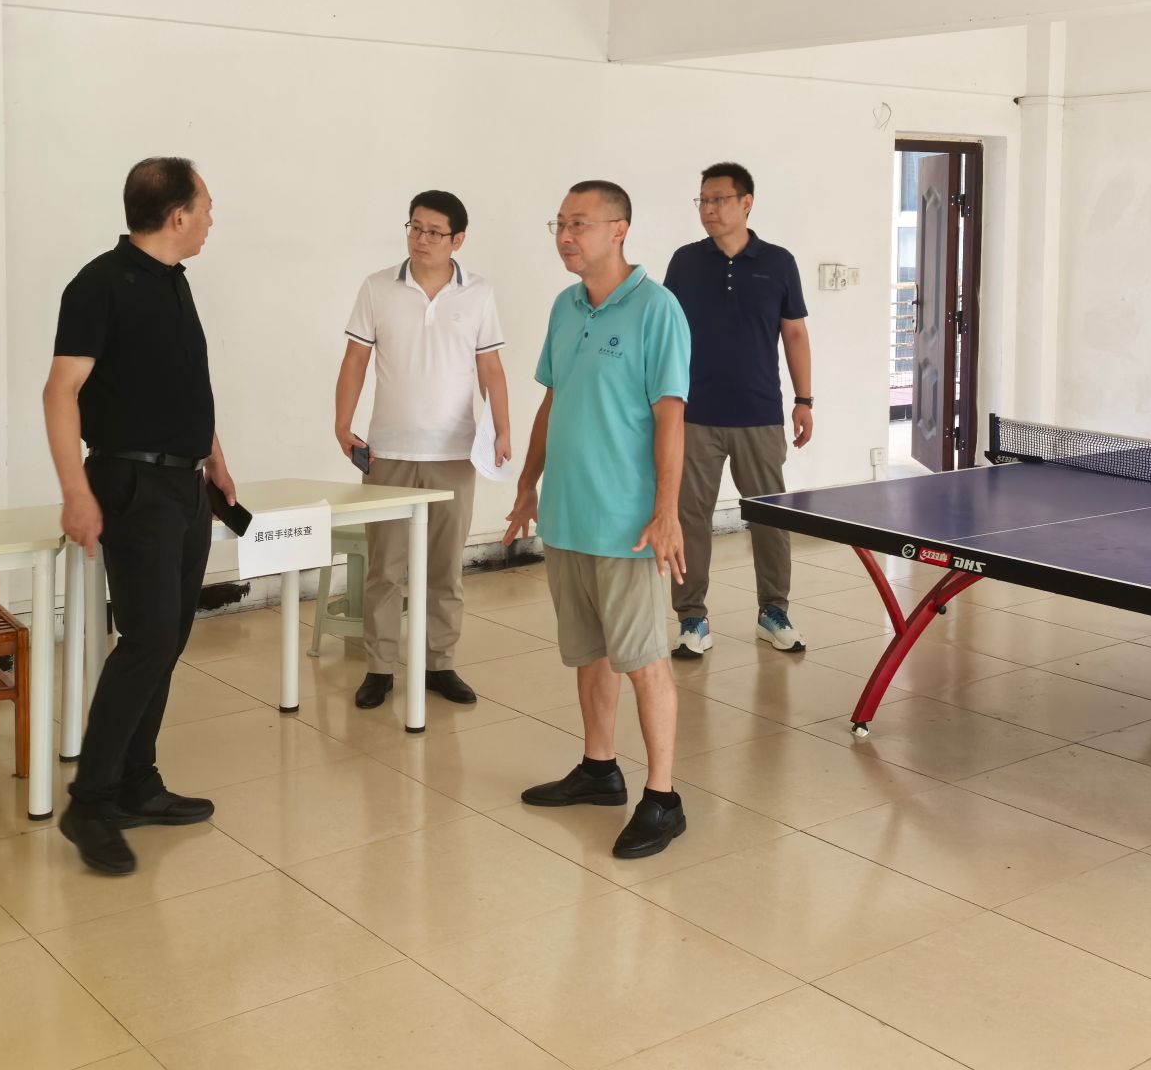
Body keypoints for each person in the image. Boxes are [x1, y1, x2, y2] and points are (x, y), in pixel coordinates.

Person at [43, 157, 235, 876]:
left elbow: (184, 385)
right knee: (148, 639)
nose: (212, 218)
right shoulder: (99, 285)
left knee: (169, 636)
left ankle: (136, 782)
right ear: (178, 215)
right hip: (131, 484)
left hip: (185, 485)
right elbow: (60, 393)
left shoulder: (175, 282)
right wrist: (75, 492)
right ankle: (90, 803)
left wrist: (214, 459)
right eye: (206, 207)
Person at [504, 179, 692, 860]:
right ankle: (599, 768)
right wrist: (528, 485)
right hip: (568, 517)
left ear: (619, 229)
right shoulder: (565, 306)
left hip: (626, 525)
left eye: (578, 223)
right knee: (590, 654)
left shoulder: (657, 309)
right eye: (559, 223)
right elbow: (553, 401)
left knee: (644, 663)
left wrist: (666, 512)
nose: (565, 235)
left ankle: (663, 799)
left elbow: (671, 416)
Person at [333, 190, 511, 709]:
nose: (421, 239)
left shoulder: (478, 292)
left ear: (458, 239)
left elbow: (491, 367)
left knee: (445, 568)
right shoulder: (377, 287)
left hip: (455, 453)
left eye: (434, 232)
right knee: (385, 568)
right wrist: (342, 424)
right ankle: (379, 667)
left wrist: (502, 429)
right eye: (415, 227)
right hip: (388, 451)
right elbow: (354, 360)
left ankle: (440, 663)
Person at [663, 162, 814, 660]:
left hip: (759, 413)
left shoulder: (779, 262)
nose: (708, 209)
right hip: (693, 414)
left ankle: (774, 611)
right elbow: (665, 335)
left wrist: (804, 400)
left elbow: (795, 333)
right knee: (690, 519)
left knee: (770, 517)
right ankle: (691, 618)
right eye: (703, 200)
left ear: (746, 203)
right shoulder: (685, 262)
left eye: (718, 199)